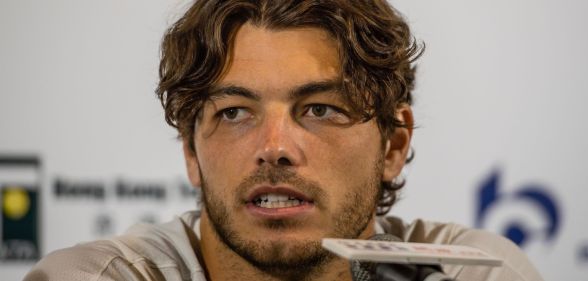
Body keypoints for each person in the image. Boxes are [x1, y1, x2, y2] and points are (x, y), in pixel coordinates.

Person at [25, 0, 544, 280]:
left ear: (393, 145)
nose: (274, 147)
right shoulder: (99, 279)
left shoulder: (473, 274)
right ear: (191, 152)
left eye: (320, 109)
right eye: (234, 113)